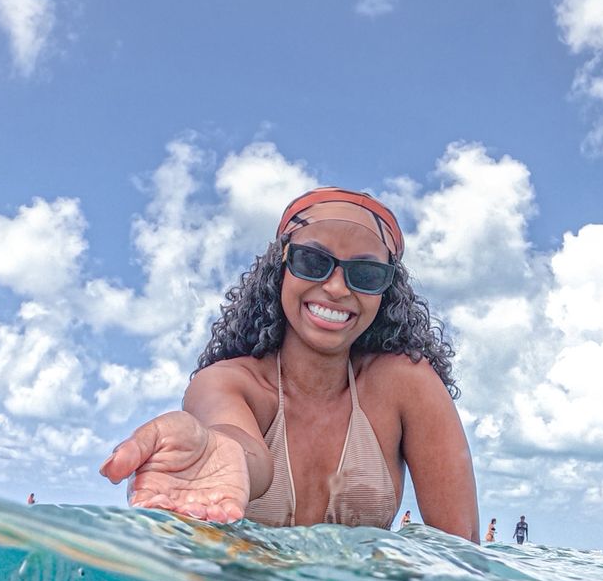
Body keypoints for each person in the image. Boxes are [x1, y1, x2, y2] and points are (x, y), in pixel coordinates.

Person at [99, 188, 478, 540]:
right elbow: (242, 448)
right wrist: (219, 450)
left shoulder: (407, 385)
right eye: (312, 261)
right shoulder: (227, 383)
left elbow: (464, 556)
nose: (337, 287)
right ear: (279, 269)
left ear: (387, 291)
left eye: (365, 274)